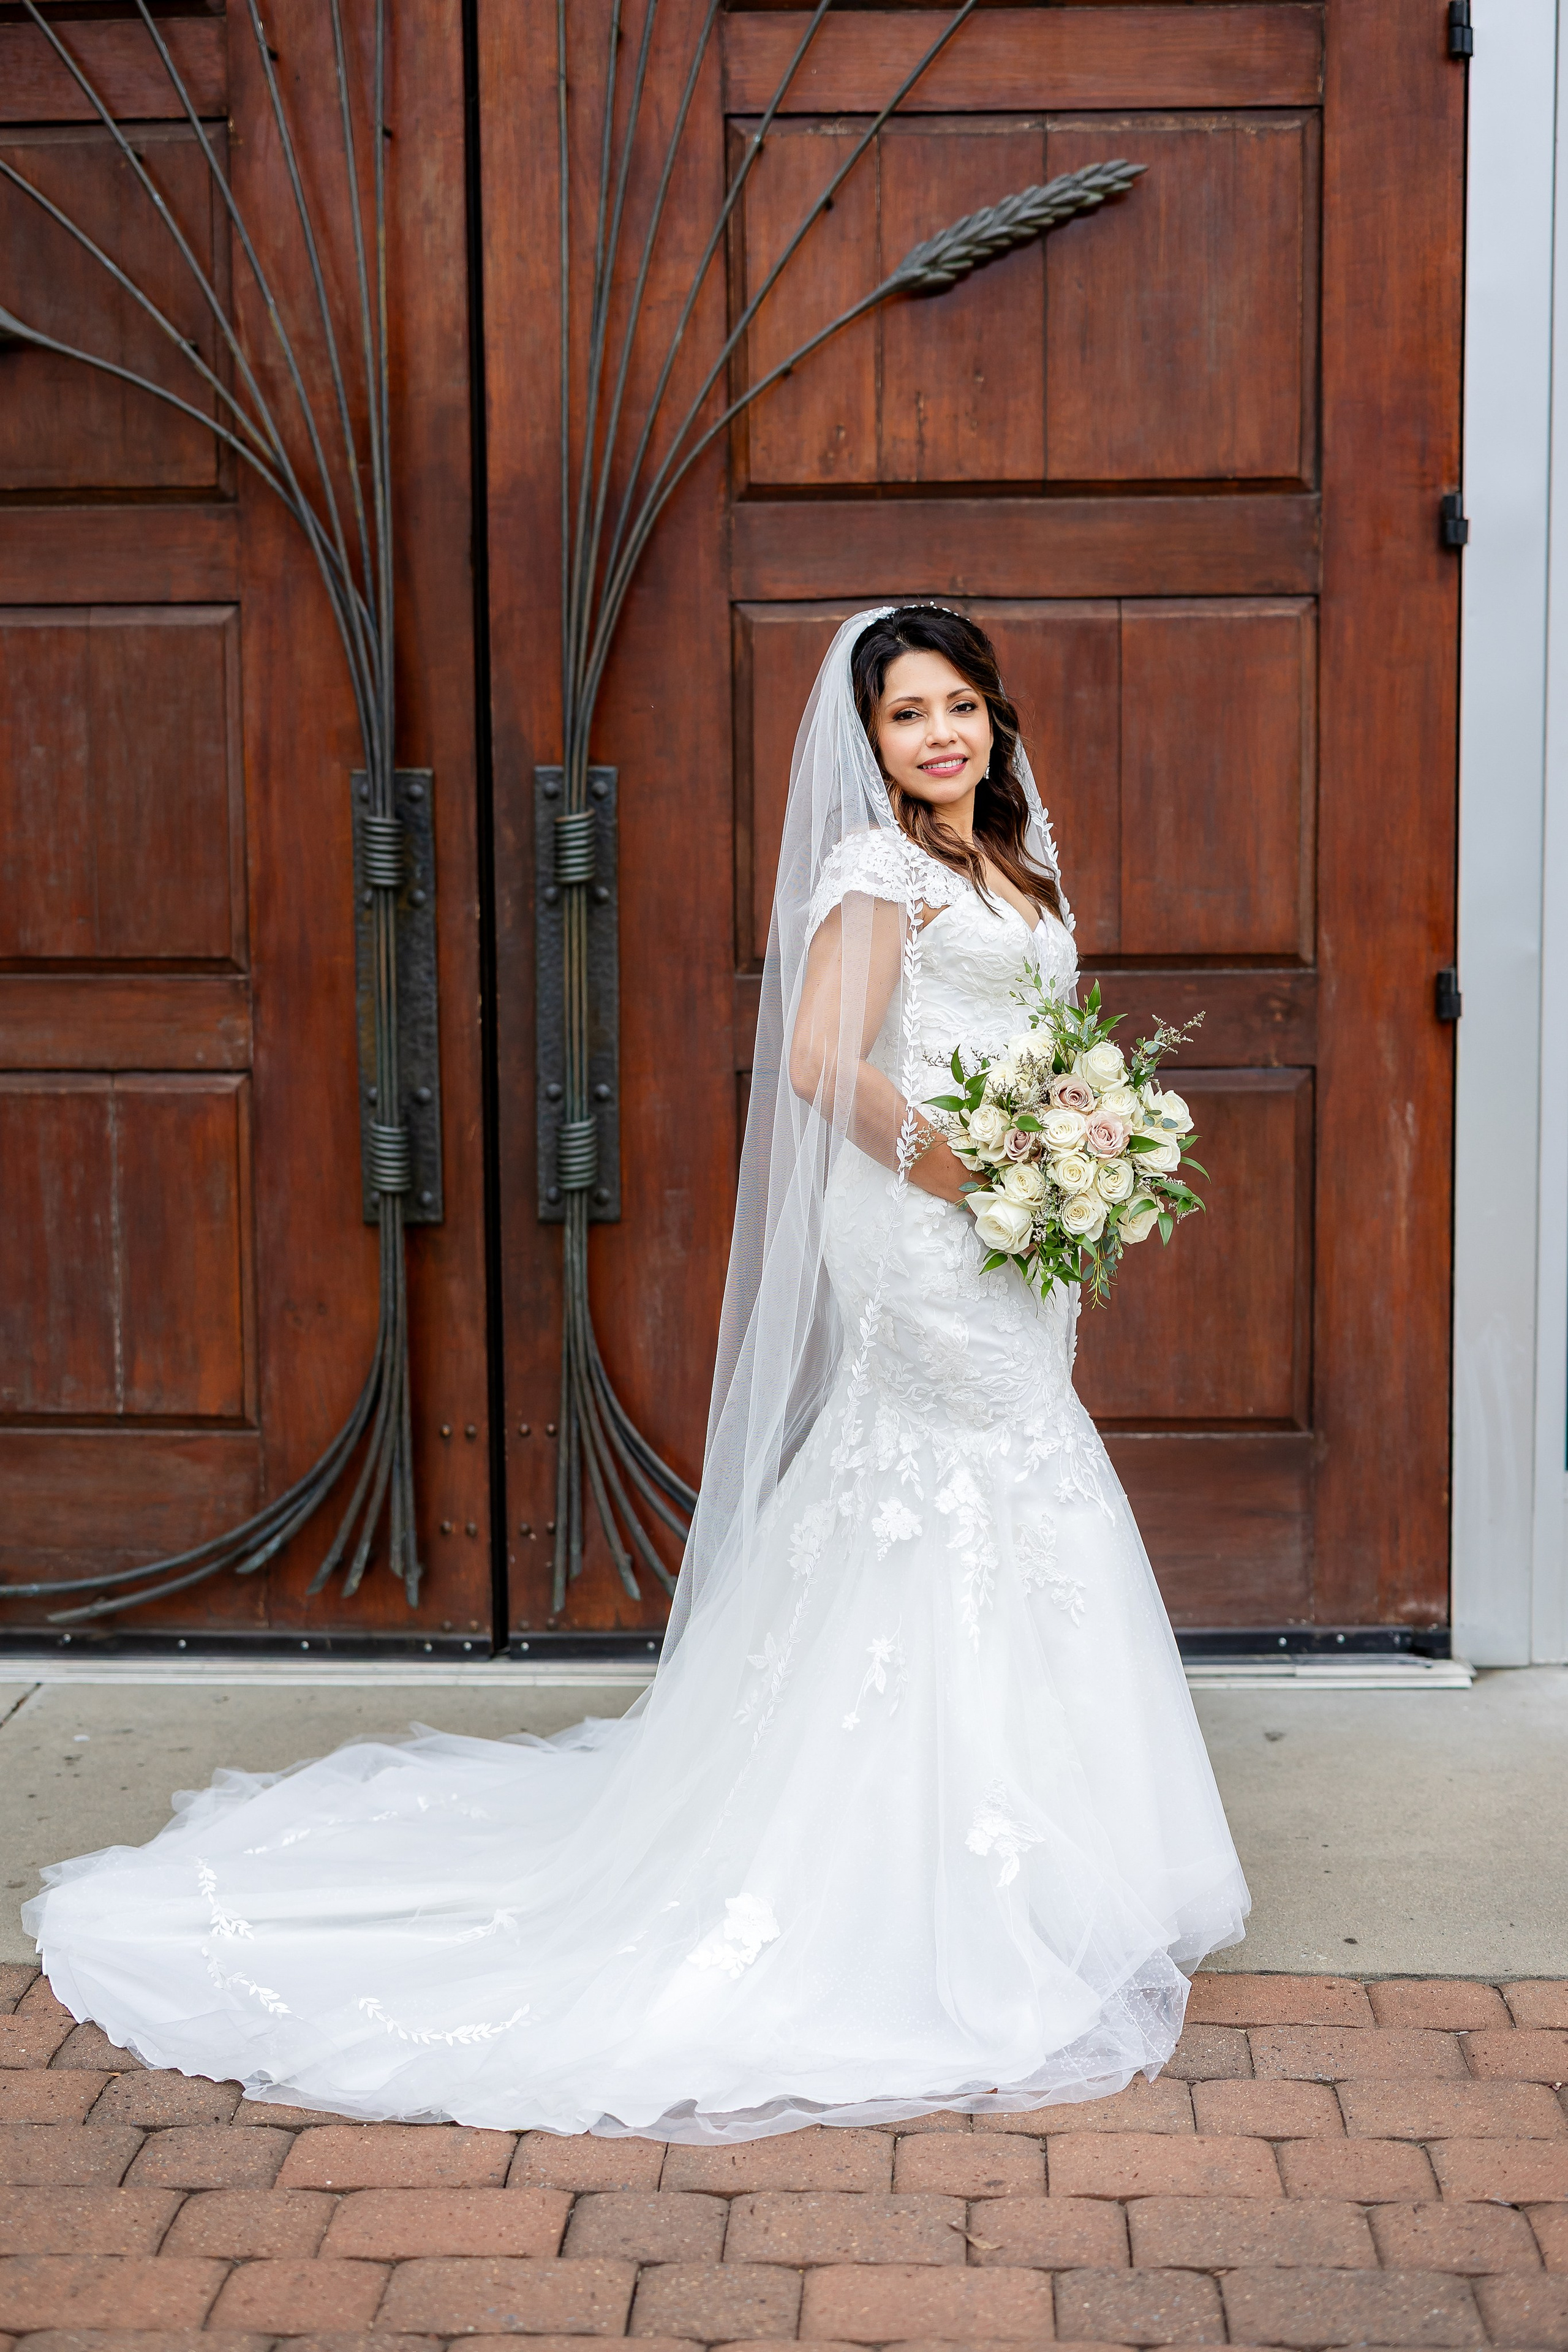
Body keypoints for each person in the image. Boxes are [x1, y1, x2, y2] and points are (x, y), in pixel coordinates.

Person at [26, 606, 1247, 2141]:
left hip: (1010, 1229)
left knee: (1008, 1477)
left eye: (957, 707)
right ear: (867, 742)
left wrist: (1076, 1154)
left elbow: (1034, 1036)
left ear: (994, 718)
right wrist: (968, 1173)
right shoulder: (879, 874)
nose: (937, 735)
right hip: (925, 1226)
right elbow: (819, 1062)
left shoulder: (1007, 858)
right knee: (960, 1479)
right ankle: (917, 1863)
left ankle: (1048, 1843)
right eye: (903, 715)